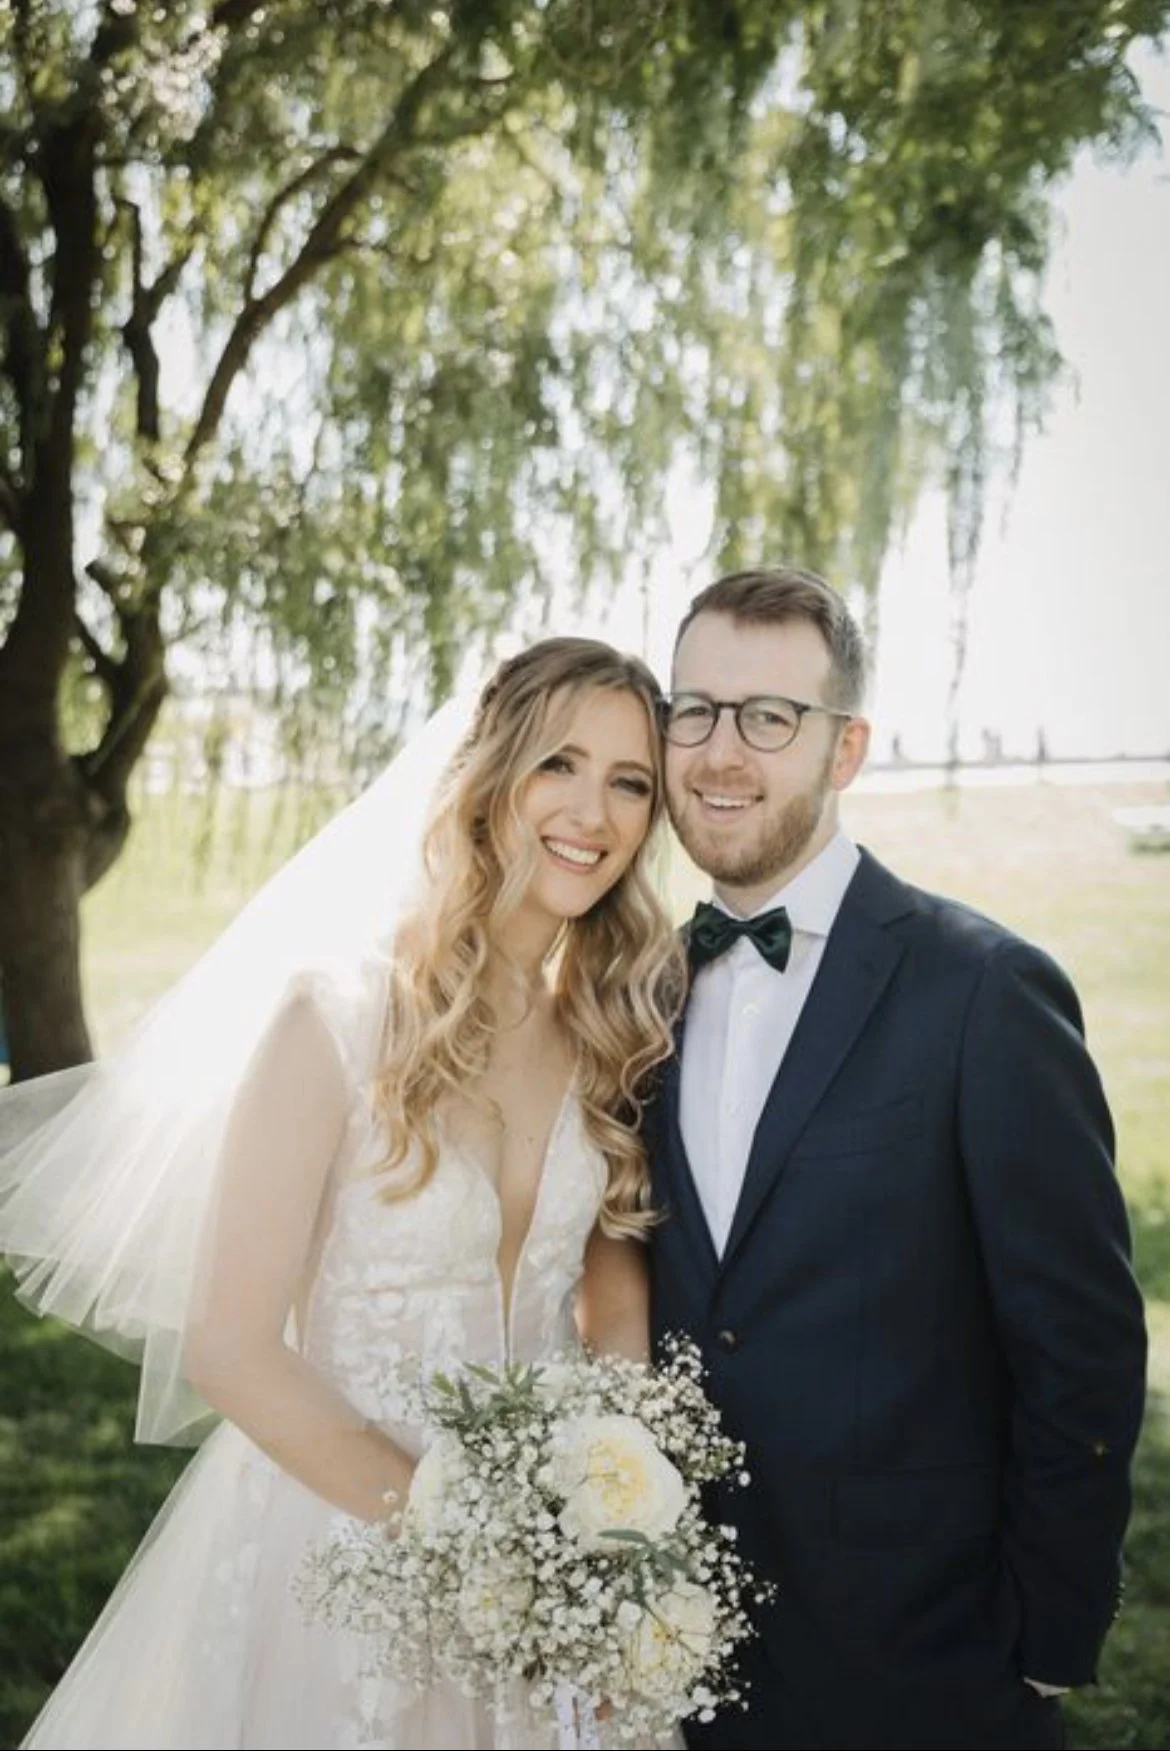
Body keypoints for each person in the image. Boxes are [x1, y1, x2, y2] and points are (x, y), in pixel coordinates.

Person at [0, 637, 687, 1750]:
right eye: (559, 762)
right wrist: (465, 1541)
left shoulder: (611, 1035)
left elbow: (611, 1311)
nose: (592, 811)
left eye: (630, 782)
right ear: (488, 777)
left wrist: (613, 1529)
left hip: (554, 1570)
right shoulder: (333, 1017)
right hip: (336, 1551)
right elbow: (229, 1343)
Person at [645, 567, 1147, 1751]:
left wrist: (1043, 1648)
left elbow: (1082, 1346)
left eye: (771, 717)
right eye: (696, 710)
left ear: (847, 746)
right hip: (676, 1659)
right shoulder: (637, 993)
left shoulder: (982, 990)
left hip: (927, 1671)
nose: (723, 752)